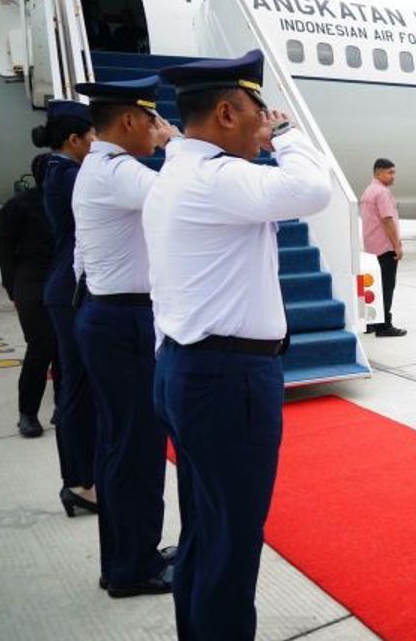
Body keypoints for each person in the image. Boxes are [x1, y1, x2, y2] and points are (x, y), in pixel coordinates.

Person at [146, 50, 332, 640]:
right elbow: (311, 189)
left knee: (207, 528)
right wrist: (291, 134)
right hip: (226, 381)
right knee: (232, 542)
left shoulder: (174, 172)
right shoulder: (216, 176)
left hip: (187, 367)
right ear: (227, 112)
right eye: (258, 111)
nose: (265, 123)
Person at [73, 76, 177, 598]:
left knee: (121, 445)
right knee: (135, 448)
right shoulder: (118, 171)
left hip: (109, 316)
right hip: (124, 322)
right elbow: (183, 196)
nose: (156, 130)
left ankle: (125, 556)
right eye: (153, 121)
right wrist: (179, 144)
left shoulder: (101, 167)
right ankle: (133, 567)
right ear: (131, 120)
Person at [35, 100, 100, 517]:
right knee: (77, 388)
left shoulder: (58, 171)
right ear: (74, 140)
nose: (97, 143)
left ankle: (80, 477)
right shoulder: (72, 175)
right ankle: (79, 481)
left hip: (64, 288)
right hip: (72, 289)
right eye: (93, 135)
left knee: (77, 386)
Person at [0, 154, 58, 438]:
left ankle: (64, 407)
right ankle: (28, 413)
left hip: (61, 283)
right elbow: (6, 254)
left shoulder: (67, 202)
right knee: (41, 347)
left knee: (66, 351)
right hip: (32, 284)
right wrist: (13, 290)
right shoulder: (17, 207)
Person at [360, 157, 406, 336]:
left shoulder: (368, 191)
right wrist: (397, 245)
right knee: (386, 287)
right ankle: (384, 325)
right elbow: (387, 220)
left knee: (374, 287)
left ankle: (371, 323)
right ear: (378, 173)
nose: (393, 176)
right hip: (385, 247)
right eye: (390, 172)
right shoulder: (382, 192)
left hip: (371, 247)